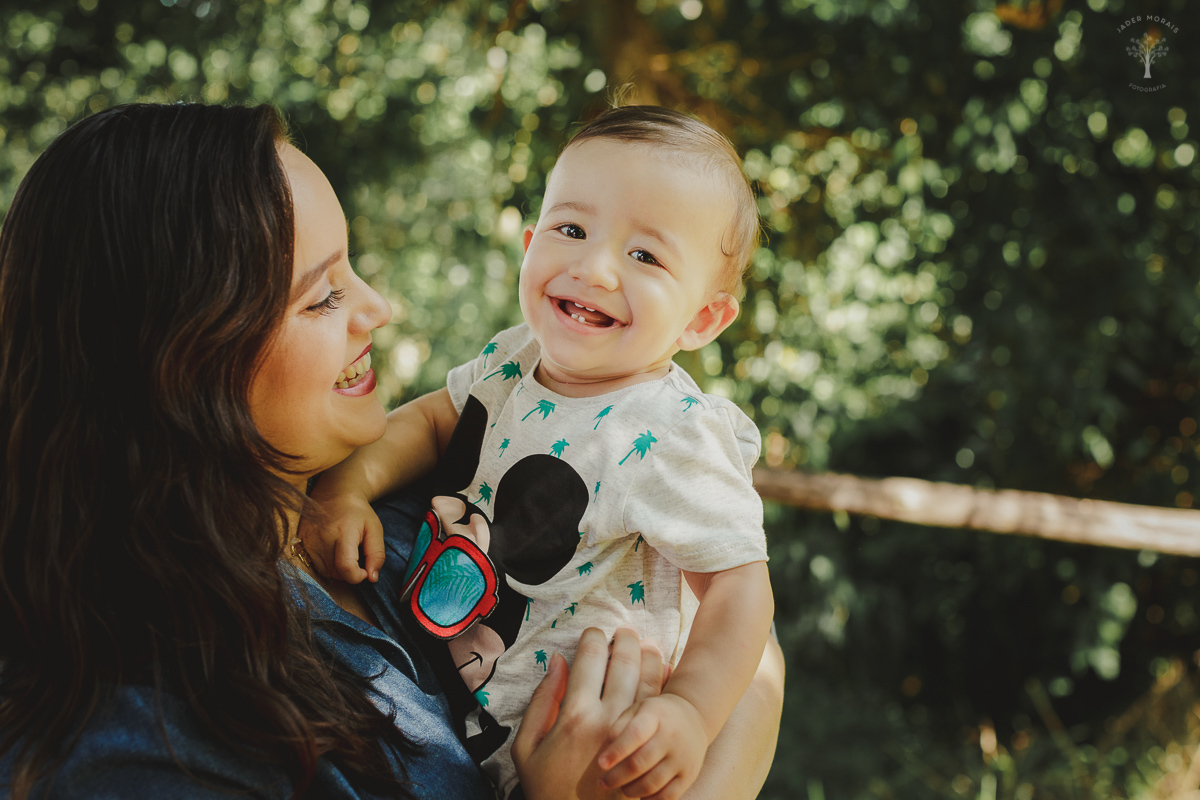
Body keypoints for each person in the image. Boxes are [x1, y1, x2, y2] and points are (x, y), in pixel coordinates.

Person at [0, 102, 784, 800]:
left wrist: (695, 710)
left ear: (704, 318)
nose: (377, 307)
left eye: (353, 270)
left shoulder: (403, 521)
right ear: (179, 360)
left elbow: (746, 626)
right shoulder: (139, 745)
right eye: (324, 296)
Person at [302, 106, 774, 800]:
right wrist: (347, 489)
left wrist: (691, 712)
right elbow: (432, 424)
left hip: (604, 746)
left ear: (703, 318)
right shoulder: (514, 358)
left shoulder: (674, 432)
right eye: (572, 230)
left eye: (646, 256)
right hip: (472, 720)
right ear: (530, 245)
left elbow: (739, 589)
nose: (595, 268)